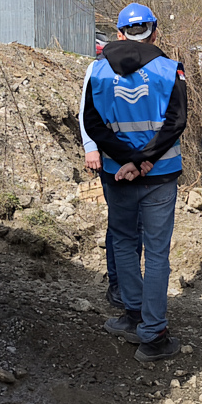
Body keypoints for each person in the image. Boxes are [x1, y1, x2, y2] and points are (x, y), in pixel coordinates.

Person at [83, 3, 187, 363]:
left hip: (117, 174)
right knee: (156, 253)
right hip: (159, 175)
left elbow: (92, 125)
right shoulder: (170, 68)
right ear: (154, 32)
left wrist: (126, 160)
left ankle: (133, 317)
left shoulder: (98, 70)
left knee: (125, 244)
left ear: (120, 33)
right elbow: (176, 122)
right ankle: (153, 335)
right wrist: (144, 161)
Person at [79, 60, 130, 314]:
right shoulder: (98, 67)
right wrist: (90, 147)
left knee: (137, 224)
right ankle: (118, 285)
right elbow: (87, 110)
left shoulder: (156, 65)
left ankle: (131, 283)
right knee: (120, 223)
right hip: (111, 159)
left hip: (144, 161)